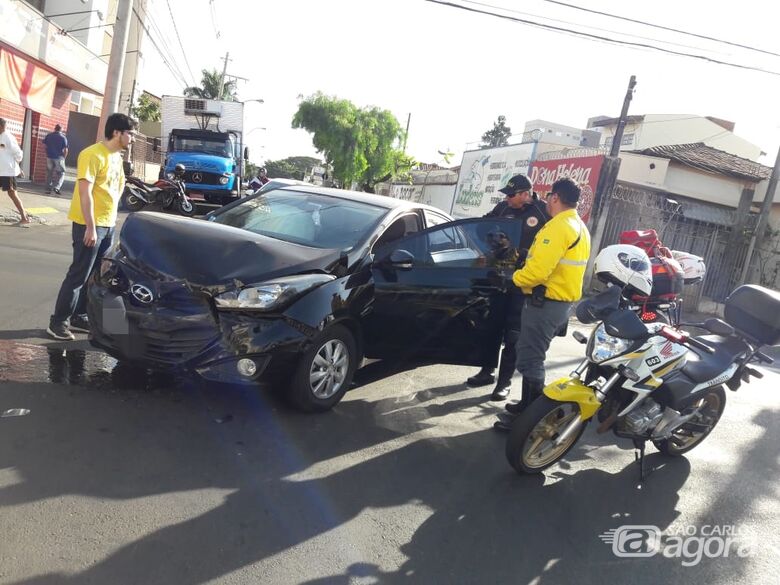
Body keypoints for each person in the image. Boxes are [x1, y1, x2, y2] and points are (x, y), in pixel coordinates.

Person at [493, 177, 591, 430]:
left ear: (555, 197)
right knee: (531, 355)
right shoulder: (577, 225)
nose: (547, 200)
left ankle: (529, 419)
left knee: (531, 358)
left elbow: (537, 272)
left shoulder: (558, 227)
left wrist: (512, 278)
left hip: (545, 302)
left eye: (549, 196)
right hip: (557, 301)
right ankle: (527, 406)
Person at [47, 113, 137, 341]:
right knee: (79, 274)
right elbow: (85, 193)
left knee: (96, 276)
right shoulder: (92, 154)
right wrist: (90, 227)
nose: (133, 138)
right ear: (117, 132)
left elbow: (114, 192)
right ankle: (58, 322)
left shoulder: (117, 157)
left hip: (107, 224)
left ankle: (80, 316)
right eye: (131, 134)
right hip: (90, 224)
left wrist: (111, 224)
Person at [465, 173, 549, 400]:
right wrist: (492, 243)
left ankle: (504, 383)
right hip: (499, 278)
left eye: (512, 195)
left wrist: (522, 253)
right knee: (491, 327)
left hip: (523, 283)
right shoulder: (503, 208)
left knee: (513, 335)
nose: (508, 199)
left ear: (525, 194)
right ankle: (486, 371)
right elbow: (482, 226)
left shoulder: (542, 212)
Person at [0, 117, 31, 226]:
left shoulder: (8, 137)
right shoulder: (1, 136)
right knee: (12, 193)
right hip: (1, 170)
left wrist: (17, 166)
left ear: (1, 127)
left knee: (12, 194)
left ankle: (24, 217)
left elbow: (18, 153)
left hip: (8, 172)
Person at [43, 123, 69, 194]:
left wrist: (47, 153)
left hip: (49, 157)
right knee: (61, 173)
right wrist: (64, 158)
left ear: (55, 128)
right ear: (61, 129)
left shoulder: (49, 136)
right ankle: (56, 187)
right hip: (59, 157)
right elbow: (66, 150)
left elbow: (45, 146)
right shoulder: (63, 137)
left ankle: (48, 189)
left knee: (49, 173)